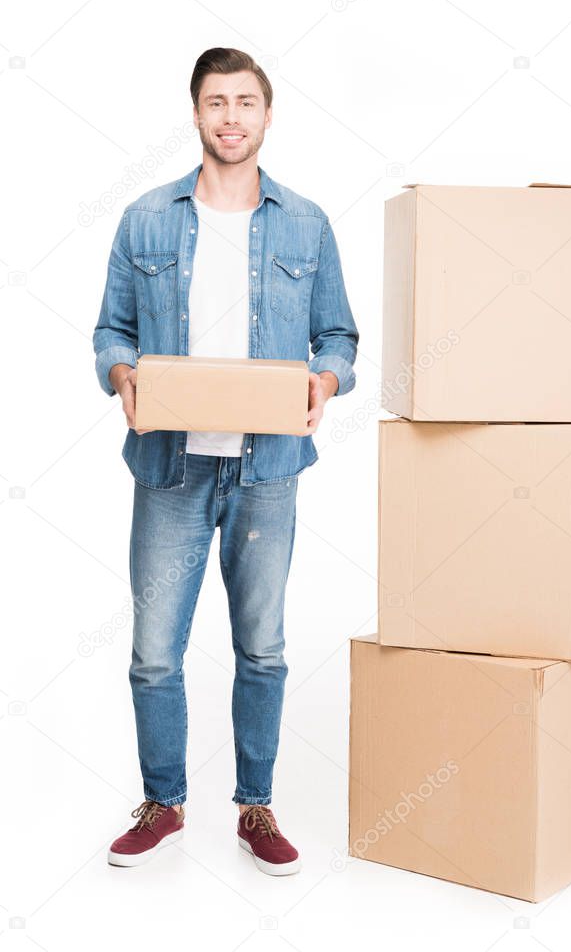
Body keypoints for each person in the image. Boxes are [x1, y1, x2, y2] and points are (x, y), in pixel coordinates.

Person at [93, 47, 359, 874]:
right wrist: (123, 374)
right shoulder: (144, 218)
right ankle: (165, 802)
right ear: (197, 113)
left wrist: (326, 380)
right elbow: (111, 331)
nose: (231, 116)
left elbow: (340, 336)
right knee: (153, 651)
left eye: (246, 101)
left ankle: (255, 805)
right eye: (217, 102)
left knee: (264, 647)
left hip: (266, 470)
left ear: (267, 114)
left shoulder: (307, 223)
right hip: (170, 468)